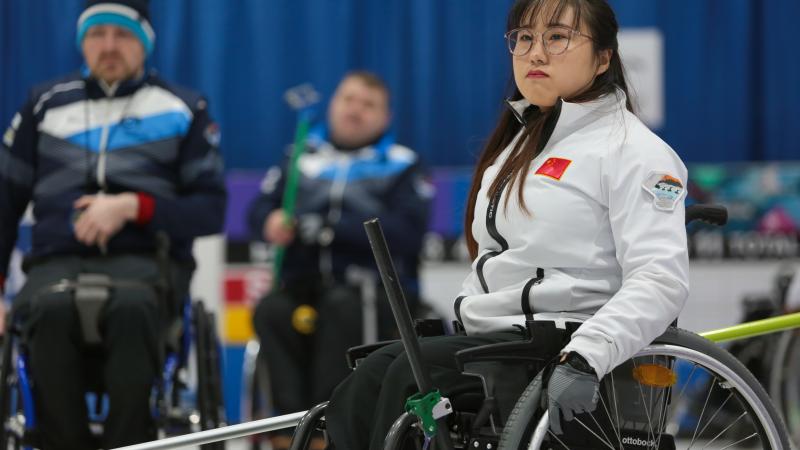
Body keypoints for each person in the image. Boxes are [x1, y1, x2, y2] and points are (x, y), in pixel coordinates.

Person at [322, 0, 689, 448]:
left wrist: (586, 357)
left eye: (557, 37)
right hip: (498, 340)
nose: (536, 53)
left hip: (567, 340)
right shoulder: (516, 147)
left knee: (402, 377)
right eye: (524, 38)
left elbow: (661, 279)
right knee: (367, 379)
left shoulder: (636, 151)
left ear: (603, 57)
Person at [0, 0, 227, 448]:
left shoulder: (184, 108)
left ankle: (130, 442)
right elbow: (6, 200)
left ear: (144, 43)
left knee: (133, 308)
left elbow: (209, 210)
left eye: (122, 35)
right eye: (97, 34)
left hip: (146, 265)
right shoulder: (43, 104)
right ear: (82, 42)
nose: (108, 46)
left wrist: (133, 207)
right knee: (48, 309)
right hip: (56, 263)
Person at [247, 71, 431, 449]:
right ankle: (287, 434)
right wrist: (270, 220)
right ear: (333, 105)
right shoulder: (300, 156)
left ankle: (330, 432)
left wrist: (332, 229)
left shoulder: (403, 165)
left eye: (368, 105)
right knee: (271, 311)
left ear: (385, 117)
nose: (356, 110)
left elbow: (408, 231)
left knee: (342, 308)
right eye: (349, 100)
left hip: (371, 290)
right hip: (302, 284)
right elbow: (261, 207)